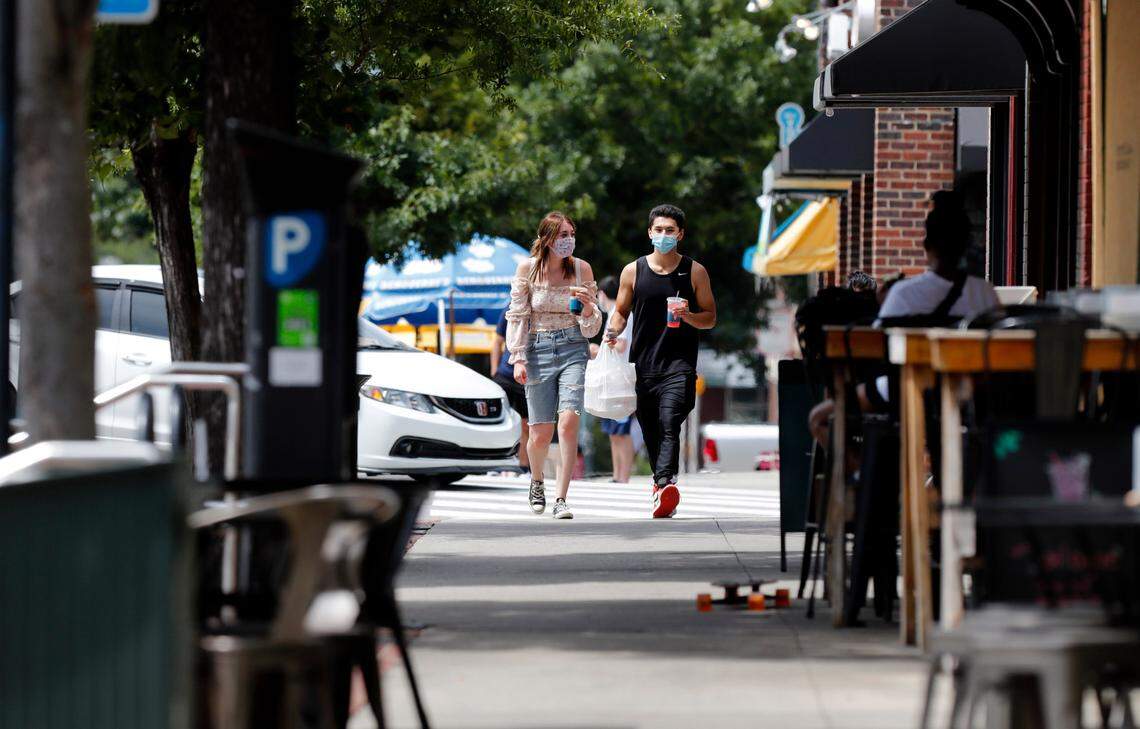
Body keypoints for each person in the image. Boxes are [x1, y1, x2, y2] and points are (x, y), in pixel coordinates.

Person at [807, 189, 1000, 444]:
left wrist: (882, 304)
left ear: (926, 245)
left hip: (906, 394)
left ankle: (860, 476)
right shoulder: (985, 293)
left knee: (818, 419)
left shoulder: (904, 294)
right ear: (965, 245)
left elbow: (875, 348)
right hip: (972, 397)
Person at [606, 204, 717, 518]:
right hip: (643, 364)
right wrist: (612, 330)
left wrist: (689, 316)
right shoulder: (633, 271)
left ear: (680, 234)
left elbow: (710, 318)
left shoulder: (694, 271)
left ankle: (665, 482)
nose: (664, 235)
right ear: (650, 233)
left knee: (670, 423)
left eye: (670, 230)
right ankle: (661, 486)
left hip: (679, 365)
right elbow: (621, 312)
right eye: (659, 230)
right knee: (652, 428)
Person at [506, 211, 602, 519]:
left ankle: (561, 498)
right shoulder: (528, 270)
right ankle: (536, 481)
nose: (568, 240)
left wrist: (588, 310)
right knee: (539, 434)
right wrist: (518, 357)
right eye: (562, 235)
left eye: (571, 234)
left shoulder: (581, 269)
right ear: (546, 238)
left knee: (569, 420)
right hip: (536, 349)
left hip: (574, 346)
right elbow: (518, 314)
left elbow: (592, 327)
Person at [597, 275, 635, 483]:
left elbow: (621, 346)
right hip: (611, 379)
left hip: (621, 380)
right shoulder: (613, 314)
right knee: (613, 430)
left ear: (602, 294)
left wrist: (600, 348)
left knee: (622, 430)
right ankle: (616, 474)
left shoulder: (621, 315)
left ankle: (624, 476)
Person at [490, 308, 529, 476]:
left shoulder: (539, 308)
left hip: (528, 377)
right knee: (497, 422)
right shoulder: (510, 308)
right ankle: (495, 465)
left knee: (527, 425)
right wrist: (494, 372)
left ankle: (524, 467)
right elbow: (497, 342)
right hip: (505, 374)